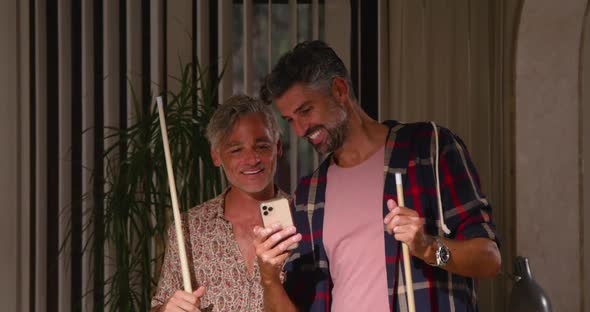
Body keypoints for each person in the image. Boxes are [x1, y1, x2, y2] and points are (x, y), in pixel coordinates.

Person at [253, 40, 501, 311]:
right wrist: (269, 278)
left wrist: (428, 247)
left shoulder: (429, 148)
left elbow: (489, 259)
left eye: (305, 111)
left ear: (339, 90)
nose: (300, 130)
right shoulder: (309, 194)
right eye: (290, 120)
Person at [151, 94, 287, 312]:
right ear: (216, 156)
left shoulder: (304, 217)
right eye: (236, 150)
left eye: (262, 146)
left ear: (278, 147)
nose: (252, 159)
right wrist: (167, 309)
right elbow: (159, 306)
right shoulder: (188, 227)